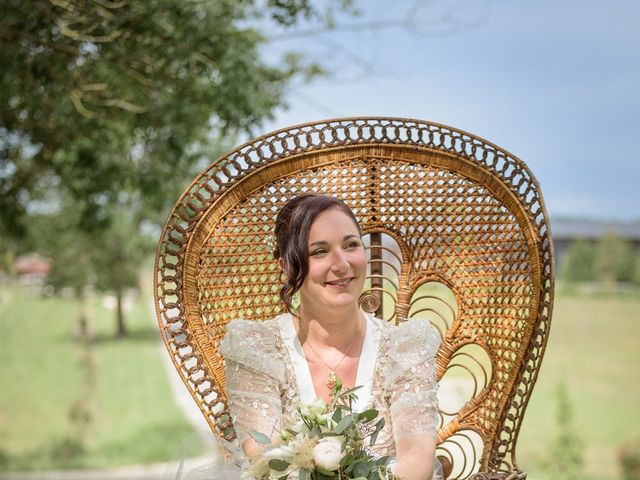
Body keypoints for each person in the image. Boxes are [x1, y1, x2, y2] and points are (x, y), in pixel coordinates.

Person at [219, 193, 442, 480]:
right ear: (287, 267)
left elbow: (417, 458)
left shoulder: (404, 348)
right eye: (319, 251)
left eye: (351, 245)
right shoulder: (258, 350)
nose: (342, 264)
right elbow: (265, 458)